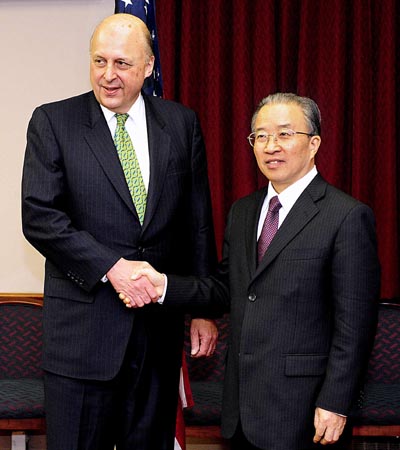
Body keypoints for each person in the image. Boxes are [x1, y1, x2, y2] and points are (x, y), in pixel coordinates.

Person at [128, 93, 381, 450]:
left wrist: (336, 402)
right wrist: (164, 286)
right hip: (242, 409)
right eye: (260, 136)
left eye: (284, 134)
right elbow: (224, 288)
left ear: (314, 144)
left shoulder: (346, 216)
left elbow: (354, 325)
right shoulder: (244, 212)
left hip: (306, 410)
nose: (270, 146)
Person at [21, 13, 218, 450]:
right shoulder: (54, 122)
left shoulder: (181, 124)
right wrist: (112, 268)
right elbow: (40, 216)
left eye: (122, 64)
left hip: (157, 336)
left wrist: (203, 306)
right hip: (82, 336)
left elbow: (197, 221)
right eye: (99, 61)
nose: (108, 76)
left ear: (148, 66)